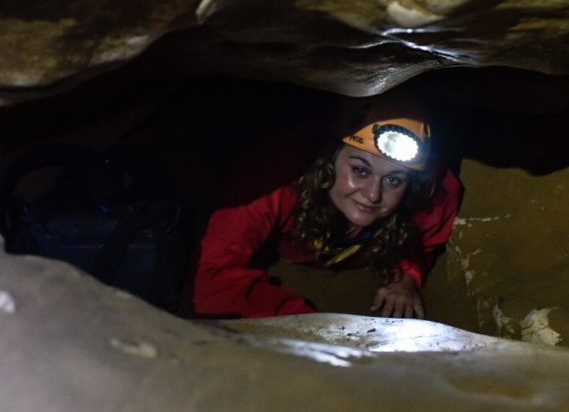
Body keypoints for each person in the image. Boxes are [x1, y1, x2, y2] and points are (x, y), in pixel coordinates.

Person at [192, 95, 462, 319]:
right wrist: (296, 319)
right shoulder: (271, 182)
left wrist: (406, 275)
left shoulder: (431, 195)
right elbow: (211, 281)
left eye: (393, 179)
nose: (373, 194)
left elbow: (426, 240)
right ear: (328, 159)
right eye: (360, 170)